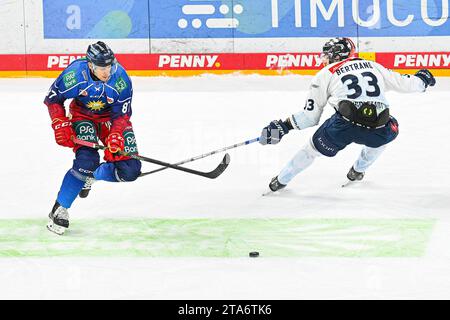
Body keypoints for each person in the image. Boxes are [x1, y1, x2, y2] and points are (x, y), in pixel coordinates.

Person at [259, 37, 436, 192]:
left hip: (342, 128)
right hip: (378, 130)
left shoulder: (324, 74)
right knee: (387, 128)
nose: (324, 59)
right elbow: (405, 83)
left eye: (327, 54)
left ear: (337, 55)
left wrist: (284, 126)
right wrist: (422, 80)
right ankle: (358, 170)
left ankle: (280, 181)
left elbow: (310, 117)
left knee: (311, 150)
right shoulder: (373, 66)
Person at [44, 41, 141, 235]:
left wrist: (115, 134)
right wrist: (59, 123)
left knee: (130, 170)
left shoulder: (121, 78)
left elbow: (122, 114)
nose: (107, 72)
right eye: (101, 68)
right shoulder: (75, 74)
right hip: (82, 116)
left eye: (109, 66)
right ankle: (60, 208)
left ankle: (93, 175)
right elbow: (53, 99)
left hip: (111, 119)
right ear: (90, 65)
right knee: (86, 161)